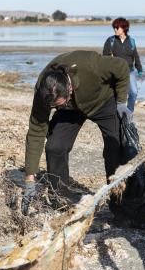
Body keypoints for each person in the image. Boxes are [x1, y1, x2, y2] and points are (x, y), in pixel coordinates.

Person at [21, 50, 130, 212]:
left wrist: (121, 101)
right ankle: (60, 199)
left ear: (69, 89)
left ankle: (119, 202)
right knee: (55, 147)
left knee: (116, 146)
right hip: (70, 111)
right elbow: (37, 131)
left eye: (58, 105)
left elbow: (121, 67)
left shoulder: (91, 65)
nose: (55, 109)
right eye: (54, 107)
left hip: (103, 101)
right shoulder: (43, 91)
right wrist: (30, 179)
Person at [102, 17, 143, 111]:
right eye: (114, 28)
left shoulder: (131, 41)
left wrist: (139, 69)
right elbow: (104, 57)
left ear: (124, 28)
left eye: (117, 28)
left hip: (130, 71)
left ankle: (129, 113)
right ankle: (116, 113)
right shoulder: (110, 41)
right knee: (117, 95)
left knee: (134, 93)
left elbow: (135, 56)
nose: (115, 30)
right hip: (115, 72)